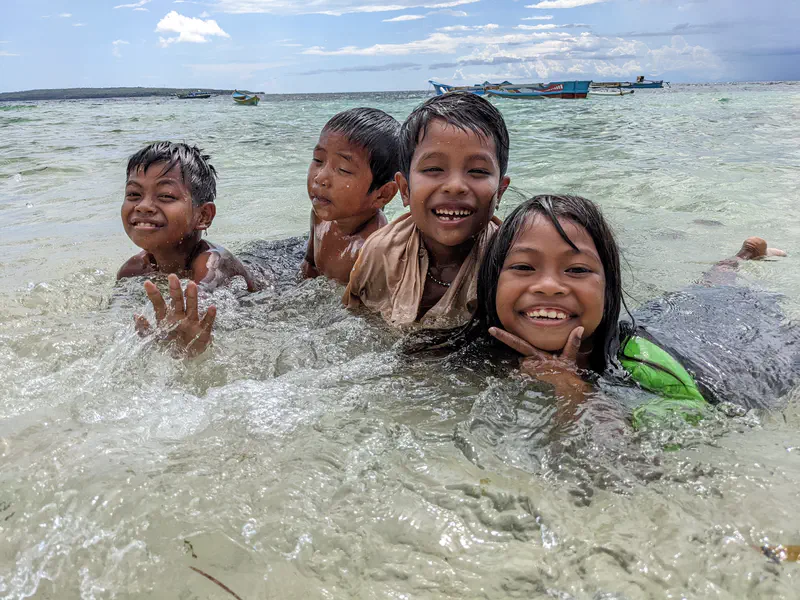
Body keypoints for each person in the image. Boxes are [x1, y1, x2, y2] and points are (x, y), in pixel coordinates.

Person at [455, 194, 790, 427]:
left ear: (609, 288)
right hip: (662, 319)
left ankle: (742, 259)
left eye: (577, 270)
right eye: (525, 267)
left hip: (729, 337)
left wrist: (571, 388)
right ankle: (740, 257)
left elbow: (630, 471)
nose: (548, 286)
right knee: (704, 288)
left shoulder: (645, 370)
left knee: (715, 291)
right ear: (491, 282)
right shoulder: (481, 351)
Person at [344, 91, 511, 328]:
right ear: (404, 189)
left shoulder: (508, 264)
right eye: (433, 169)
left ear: (500, 192)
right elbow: (353, 317)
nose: (455, 186)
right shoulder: (380, 252)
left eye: (478, 171)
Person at [118, 141, 256, 292]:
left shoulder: (212, 265)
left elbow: (200, 305)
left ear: (203, 216)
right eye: (134, 194)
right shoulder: (131, 271)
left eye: (165, 195)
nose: (143, 206)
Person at [300, 107, 401, 284]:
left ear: (382, 194)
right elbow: (309, 264)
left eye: (343, 169)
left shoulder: (374, 250)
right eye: (318, 160)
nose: (320, 177)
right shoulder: (320, 216)